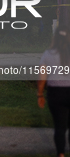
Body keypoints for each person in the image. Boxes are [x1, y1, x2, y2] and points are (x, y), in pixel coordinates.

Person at [38, 25, 70, 157]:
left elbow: (42, 78)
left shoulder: (48, 54)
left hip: (55, 93)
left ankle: (61, 154)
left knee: (59, 126)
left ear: (55, 37)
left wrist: (40, 94)